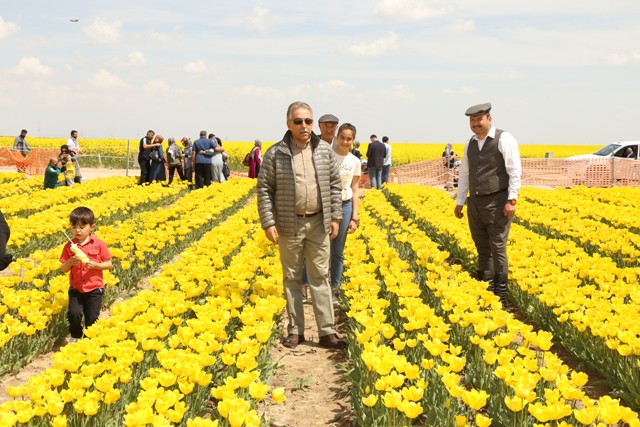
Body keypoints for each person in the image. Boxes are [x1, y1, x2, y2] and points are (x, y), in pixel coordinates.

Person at [257, 101, 346, 350]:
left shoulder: (324, 151)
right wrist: (268, 221)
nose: (304, 126)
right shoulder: (276, 153)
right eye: (298, 121)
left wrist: (336, 217)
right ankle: (295, 330)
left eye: (308, 121)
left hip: (318, 221)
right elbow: (264, 188)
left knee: (320, 277)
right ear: (288, 124)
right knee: (292, 278)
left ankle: (327, 331)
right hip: (289, 223)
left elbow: (335, 185)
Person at [454, 102, 522, 307]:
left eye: (479, 120)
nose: (475, 124)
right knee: (482, 248)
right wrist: (460, 201)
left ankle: (500, 297)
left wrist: (512, 200)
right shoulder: (470, 144)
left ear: (489, 119)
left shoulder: (504, 139)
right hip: (475, 202)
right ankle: (486, 292)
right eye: (472, 121)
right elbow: (465, 173)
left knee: (498, 247)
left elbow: (514, 171)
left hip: (498, 201)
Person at [60, 207, 113, 342]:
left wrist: (97, 266)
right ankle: (76, 335)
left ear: (92, 227)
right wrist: (70, 263)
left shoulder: (99, 244)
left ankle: (90, 340)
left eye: (82, 227)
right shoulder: (69, 246)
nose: (77, 230)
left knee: (92, 317)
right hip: (76, 287)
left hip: (94, 288)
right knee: (74, 314)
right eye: (74, 227)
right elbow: (63, 269)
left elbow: (109, 263)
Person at [330, 123, 361, 298]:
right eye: (342, 138)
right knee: (319, 247)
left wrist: (354, 217)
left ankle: (334, 287)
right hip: (327, 206)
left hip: (345, 205)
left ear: (353, 140)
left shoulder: (354, 161)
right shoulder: (329, 156)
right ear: (337, 137)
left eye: (349, 139)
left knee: (337, 250)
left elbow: (355, 189)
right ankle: (306, 285)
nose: (345, 141)